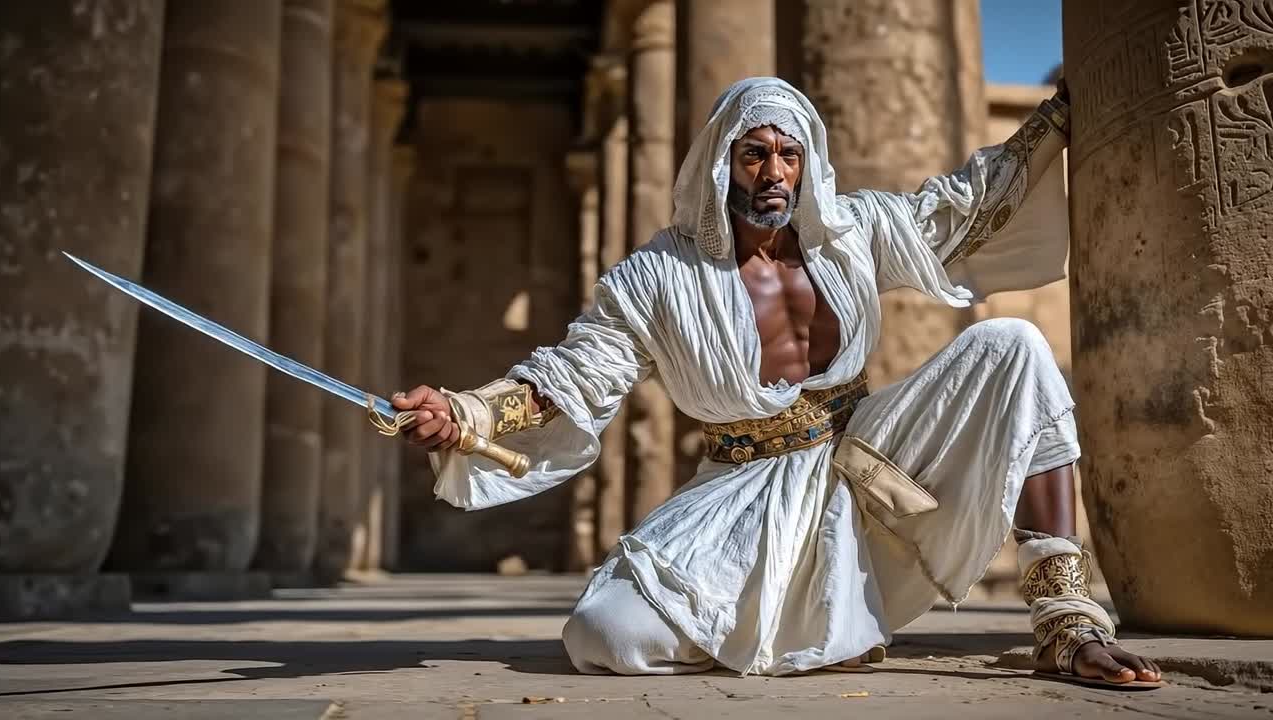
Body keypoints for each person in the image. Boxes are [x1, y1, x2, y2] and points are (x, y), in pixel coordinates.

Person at [392, 77, 1162, 687]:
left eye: (787, 153)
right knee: (605, 635)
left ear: (807, 162)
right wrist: (467, 414)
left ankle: (1067, 621)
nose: (772, 172)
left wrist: (1056, 119)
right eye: (753, 153)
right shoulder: (658, 277)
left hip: (864, 454)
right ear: (722, 162)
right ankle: (819, 630)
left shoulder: (853, 234)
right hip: (740, 485)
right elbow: (576, 371)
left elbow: (963, 204)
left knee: (1014, 346)